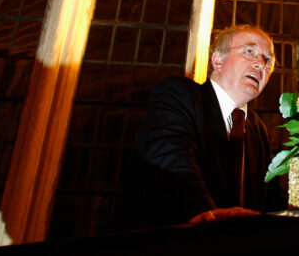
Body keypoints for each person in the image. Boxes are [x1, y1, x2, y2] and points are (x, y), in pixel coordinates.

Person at [123, 24, 286, 228]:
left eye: (268, 60)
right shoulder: (180, 94)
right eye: (249, 51)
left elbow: (270, 196)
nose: (261, 64)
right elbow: (169, 158)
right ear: (218, 60)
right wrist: (204, 216)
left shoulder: (258, 129)